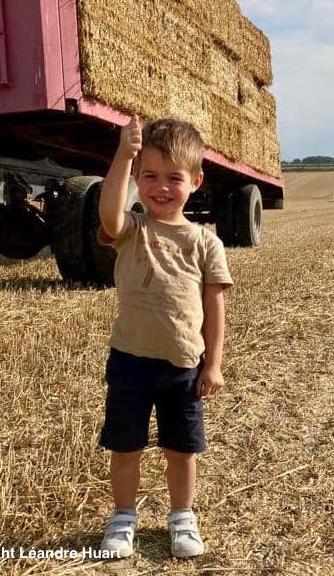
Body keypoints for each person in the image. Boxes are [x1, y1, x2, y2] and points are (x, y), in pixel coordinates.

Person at [97, 116, 233, 559]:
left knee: (182, 450)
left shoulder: (205, 243)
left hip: (183, 367)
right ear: (138, 180)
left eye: (174, 178)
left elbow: (214, 307)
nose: (161, 187)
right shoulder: (133, 231)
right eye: (150, 177)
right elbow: (109, 214)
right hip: (130, 362)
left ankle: (182, 517)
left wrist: (213, 363)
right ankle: (123, 518)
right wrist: (123, 154)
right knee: (126, 446)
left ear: (195, 181)